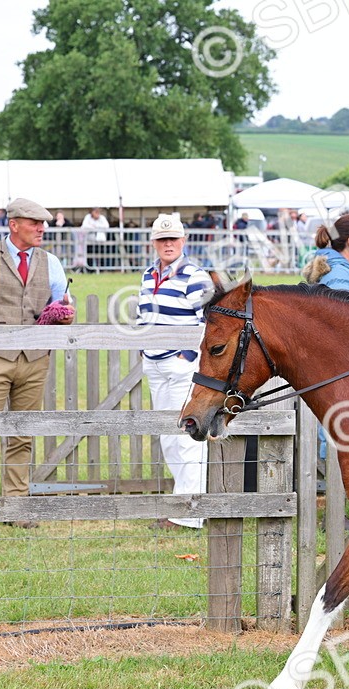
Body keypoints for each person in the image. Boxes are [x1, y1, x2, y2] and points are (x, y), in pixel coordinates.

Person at [0, 197, 74, 533]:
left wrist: (65, 314)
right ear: (13, 225)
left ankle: (16, 505)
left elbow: (61, 306)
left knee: (23, 435)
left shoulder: (51, 262)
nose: (41, 229)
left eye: (43, 223)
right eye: (34, 223)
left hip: (35, 361)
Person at [136, 214, 212, 531]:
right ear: (154, 243)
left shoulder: (196, 276)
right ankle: (181, 505)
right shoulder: (147, 275)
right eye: (162, 239)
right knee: (168, 436)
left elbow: (211, 321)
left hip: (181, 364)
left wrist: (189, 354)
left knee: (189, 435)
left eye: (173, 239)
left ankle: (189, 512)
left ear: (183, 242)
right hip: (154, 362)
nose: (168, 244)